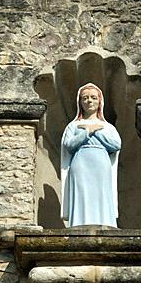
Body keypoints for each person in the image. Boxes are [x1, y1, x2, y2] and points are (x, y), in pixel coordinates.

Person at [60, 83, 121, 227]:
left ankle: (104, 223)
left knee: (101, 193)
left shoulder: (107, 127)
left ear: (100, 101)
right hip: (80, 162)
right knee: (81, 193)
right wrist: (87, 132)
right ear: (80, 102)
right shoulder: (73, 126)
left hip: (101, 162)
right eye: (85, 98)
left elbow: (116, 145)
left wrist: (96, 131)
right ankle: (79, 224)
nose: (89, 101)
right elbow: (68, 145)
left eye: (93, 98)